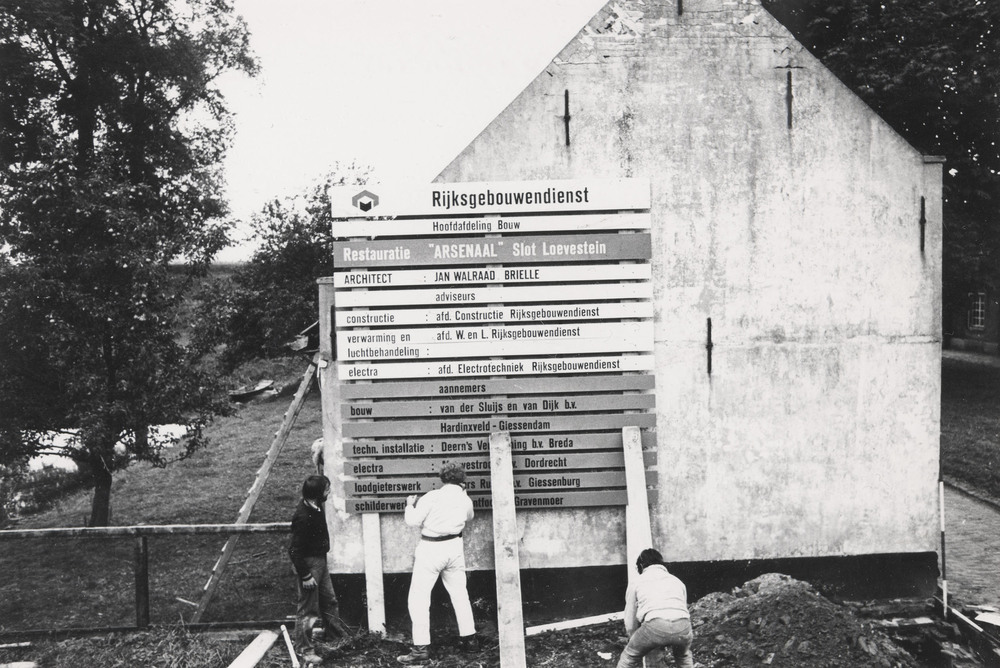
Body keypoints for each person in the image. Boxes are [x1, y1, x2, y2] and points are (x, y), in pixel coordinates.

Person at [396, 462, 478, 664]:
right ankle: (470, 641)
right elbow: (470, 517)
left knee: (419, 599)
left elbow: (413, 521)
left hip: (431, 549)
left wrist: (409, 505)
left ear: (443, 478)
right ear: (462, 480)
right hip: (454, 548)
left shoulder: (432, 497)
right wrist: (463, 494)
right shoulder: (465, 499)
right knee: (460, 595)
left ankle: (421, 649)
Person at [288, 474, 350, 663]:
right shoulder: (303, 517)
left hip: (320, 561)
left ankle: (336, 638)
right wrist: (306, 576)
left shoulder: (316, 506)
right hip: (309, 564)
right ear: (317, 493)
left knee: (329, 600)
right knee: (308, 609)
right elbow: (294, 551)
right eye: (326, 489)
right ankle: (304, 650)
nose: (329, 492)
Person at [617, 548, 695, 668]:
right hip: (683, 626)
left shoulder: (636, 582)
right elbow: (682, 609)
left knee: (629, 656)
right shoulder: (677, 581)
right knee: (683, 657)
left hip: (655, 625)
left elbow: (630, 619)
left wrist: (634, 638)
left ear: (641, 566)